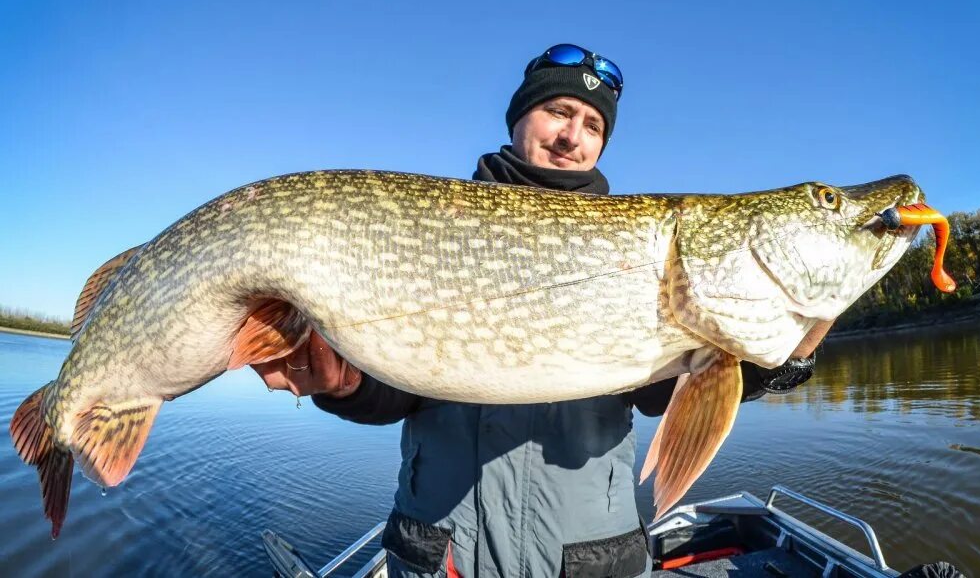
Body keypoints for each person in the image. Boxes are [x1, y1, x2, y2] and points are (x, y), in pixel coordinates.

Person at [252, 44, 818, 578]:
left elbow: (658, 397)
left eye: (593, 126)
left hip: (588, 559)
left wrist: (783, 354)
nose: (573, 136)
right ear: (519, 118)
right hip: (443, 554)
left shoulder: (643, 252)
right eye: (558, 111)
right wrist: (339, 384)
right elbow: (396, 393)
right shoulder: (436, 228)